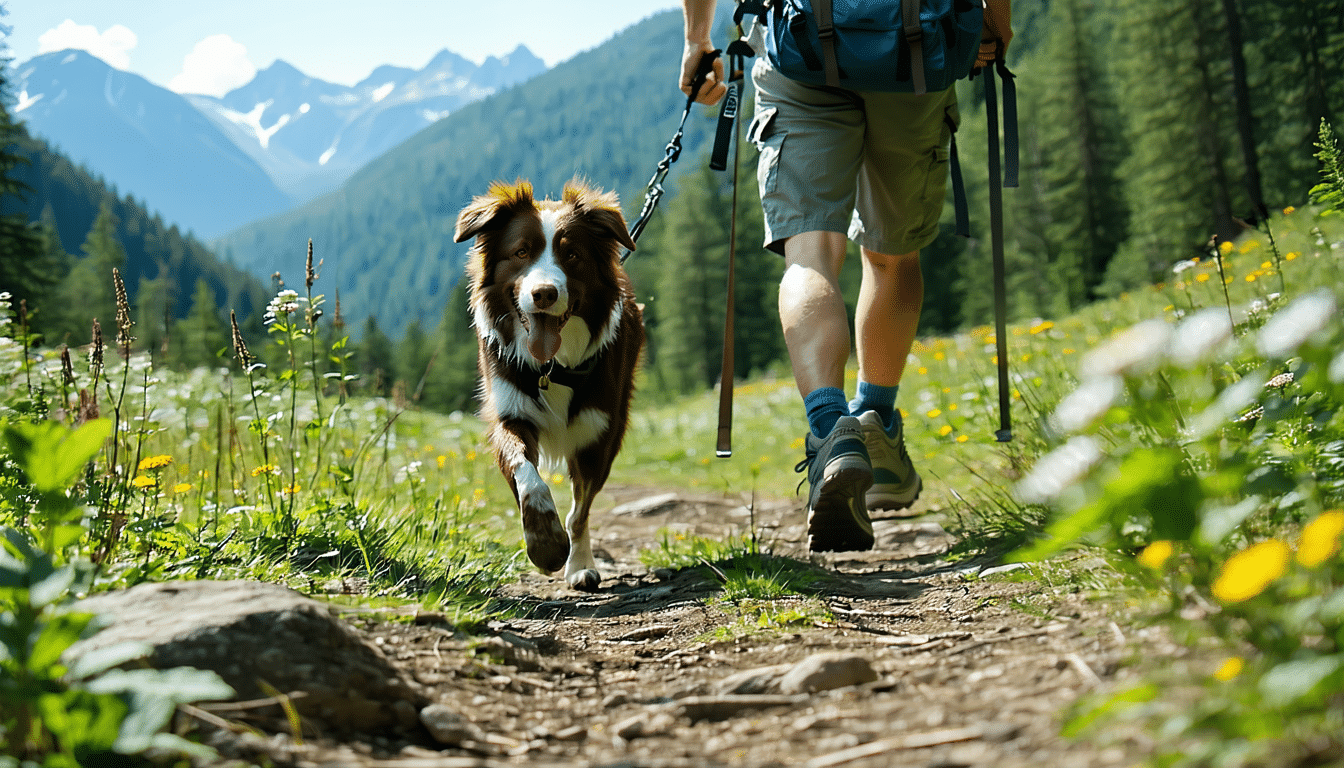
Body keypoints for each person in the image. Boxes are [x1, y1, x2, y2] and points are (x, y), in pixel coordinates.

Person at [678, 0, 1010, 552]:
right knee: (892, 255)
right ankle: (876, 419)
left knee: (810, 255)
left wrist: (696, 39)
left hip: (801, 50)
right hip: (917, 52)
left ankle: (832, 430)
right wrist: (994, 25)